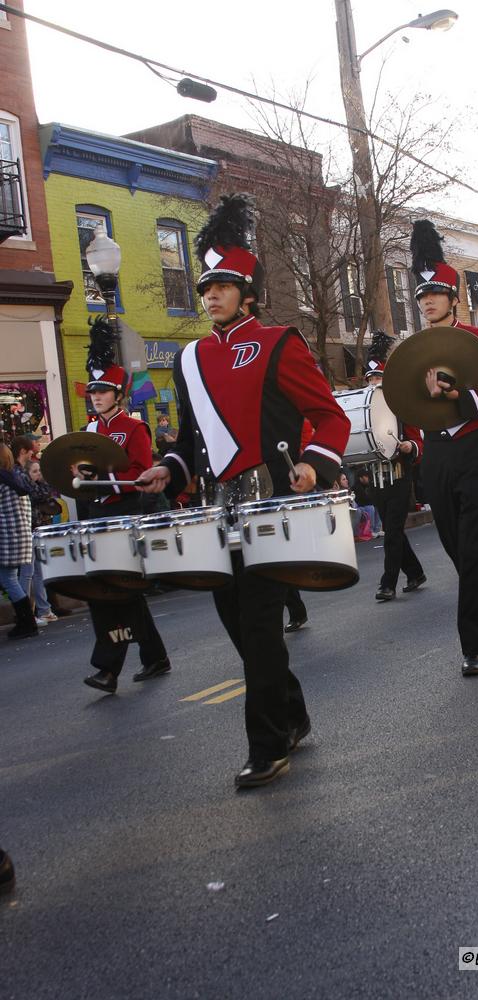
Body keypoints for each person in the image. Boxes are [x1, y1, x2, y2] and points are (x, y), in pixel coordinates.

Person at [137, 194, 351, 789]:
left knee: (259, 629)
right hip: (214, 514)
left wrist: (313, 465)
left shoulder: (280, 342)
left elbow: (330, 417)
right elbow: (188, 441)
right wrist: (169, 470)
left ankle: (267, 745)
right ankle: (293, 713)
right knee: (242, 632)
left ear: (248, 292)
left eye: (222, 285)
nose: (210, 294)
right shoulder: (189, 358)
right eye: (206, 285)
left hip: (269, 513)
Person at [410, 220, 478, 675]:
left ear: (453, 298)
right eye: (422, 295)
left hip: (475, 451)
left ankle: (473, 644)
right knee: (457, 549)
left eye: (435, 293)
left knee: (473, 548)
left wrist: (464, 399)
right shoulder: (413, 348)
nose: (427, 300)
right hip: (436, 455)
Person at [73, 318, 171, 694]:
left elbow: (139, 472)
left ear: (118, 394)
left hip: (125, 510)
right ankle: (155, 655)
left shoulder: (134, 429)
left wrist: (103, 477)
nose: (95, 397)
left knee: (114, 590)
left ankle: (108, 669)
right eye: (92, 392)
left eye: (102, 392)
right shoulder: (90, 431)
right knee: (114, 590)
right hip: (98, 513)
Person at [362, 330, 426, 602]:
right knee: (393, 529)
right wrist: (362, 472)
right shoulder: (364, 409)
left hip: (399, 474)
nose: (375, 382)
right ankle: (415, 572)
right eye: (371, 378)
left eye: (379, 378)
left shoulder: (400, 404)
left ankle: (387, 583)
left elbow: (417, 438)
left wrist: (410, 447)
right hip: (376, 479)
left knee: (392, 530)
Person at [10, 439, 59, 625]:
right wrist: (41, 483)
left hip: (32, 523)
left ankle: (43, 609)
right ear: (24, 451)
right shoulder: (18, 473)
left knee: (35, 570)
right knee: (28, 571)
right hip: (26, 524)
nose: (34, 453)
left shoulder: (18, 472)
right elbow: (38, 494)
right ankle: (27, 613)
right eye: (31, 450)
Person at [0, 443, 39, 639]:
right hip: (21, 535)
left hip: (6, 536)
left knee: (8, 579)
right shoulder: (15, 478)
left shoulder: (2, 481)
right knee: (11, 578)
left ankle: (27, 621)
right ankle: (27, 620)